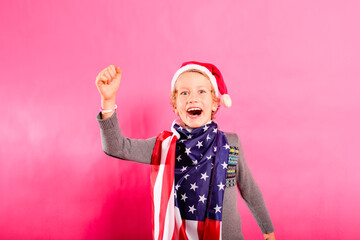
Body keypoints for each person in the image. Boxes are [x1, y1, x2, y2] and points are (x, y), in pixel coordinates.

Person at [95, 61, 276, 240]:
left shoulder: (230, 143)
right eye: (184, 92)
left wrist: (267, 229)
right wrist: (108, 101)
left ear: (214, 103)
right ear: (175, 106)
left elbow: (249, 188)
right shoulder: (164, 146)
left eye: (202, 91)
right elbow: (117, 147)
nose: (193, 97)